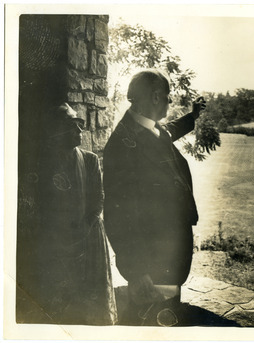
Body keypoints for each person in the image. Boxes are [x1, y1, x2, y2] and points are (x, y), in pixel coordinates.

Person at [103, 69, 205, 326]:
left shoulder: (151, 129)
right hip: (149, 259)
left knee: (167, 314)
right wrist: (136, 270)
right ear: (156, 97)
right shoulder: (122, 145)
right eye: (168, 96)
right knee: (145, 323)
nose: (171, 102)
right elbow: (116, 212)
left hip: (169, 254)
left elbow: (168, 131)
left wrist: (193, 116)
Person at [16, 103, 117, 325]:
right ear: (57, 131)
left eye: (80, 125)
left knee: (90, 303)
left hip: (88, 238)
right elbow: (35, 206)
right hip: (56, 243)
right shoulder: (42, 165)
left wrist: (84, 227)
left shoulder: (89, 161)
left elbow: (98, 199)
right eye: (73, 127)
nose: (80, 132)